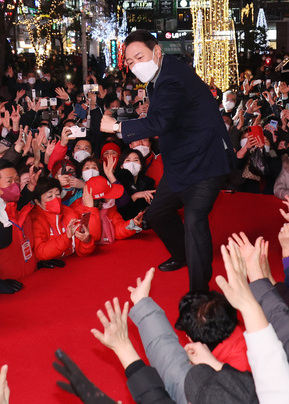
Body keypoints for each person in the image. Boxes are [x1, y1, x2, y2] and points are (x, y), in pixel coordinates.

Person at [100, 30, 236, 292]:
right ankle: (182, 254)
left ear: (157, 51)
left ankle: (199, 292)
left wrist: (117, 127)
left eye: (139, 57)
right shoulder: (161, 74)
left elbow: (160, 122)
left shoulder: (172, 78)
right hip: (181, 162)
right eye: (129, 62)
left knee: (196, 220)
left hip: (205, 160)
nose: (135, 65)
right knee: (158, 213)